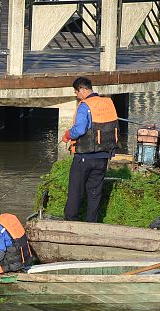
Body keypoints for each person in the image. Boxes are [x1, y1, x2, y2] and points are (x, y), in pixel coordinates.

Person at [61, 76, 119, 222]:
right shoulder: (108, 103)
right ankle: (91, 223)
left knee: (76, 191)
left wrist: (68, 135)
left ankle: (70, 221)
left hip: (84, 157)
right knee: (95, 192)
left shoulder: (85, 106)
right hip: (103, 157)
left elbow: (80, 129)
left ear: (82, 90)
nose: (77, 96)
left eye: (76, 92)